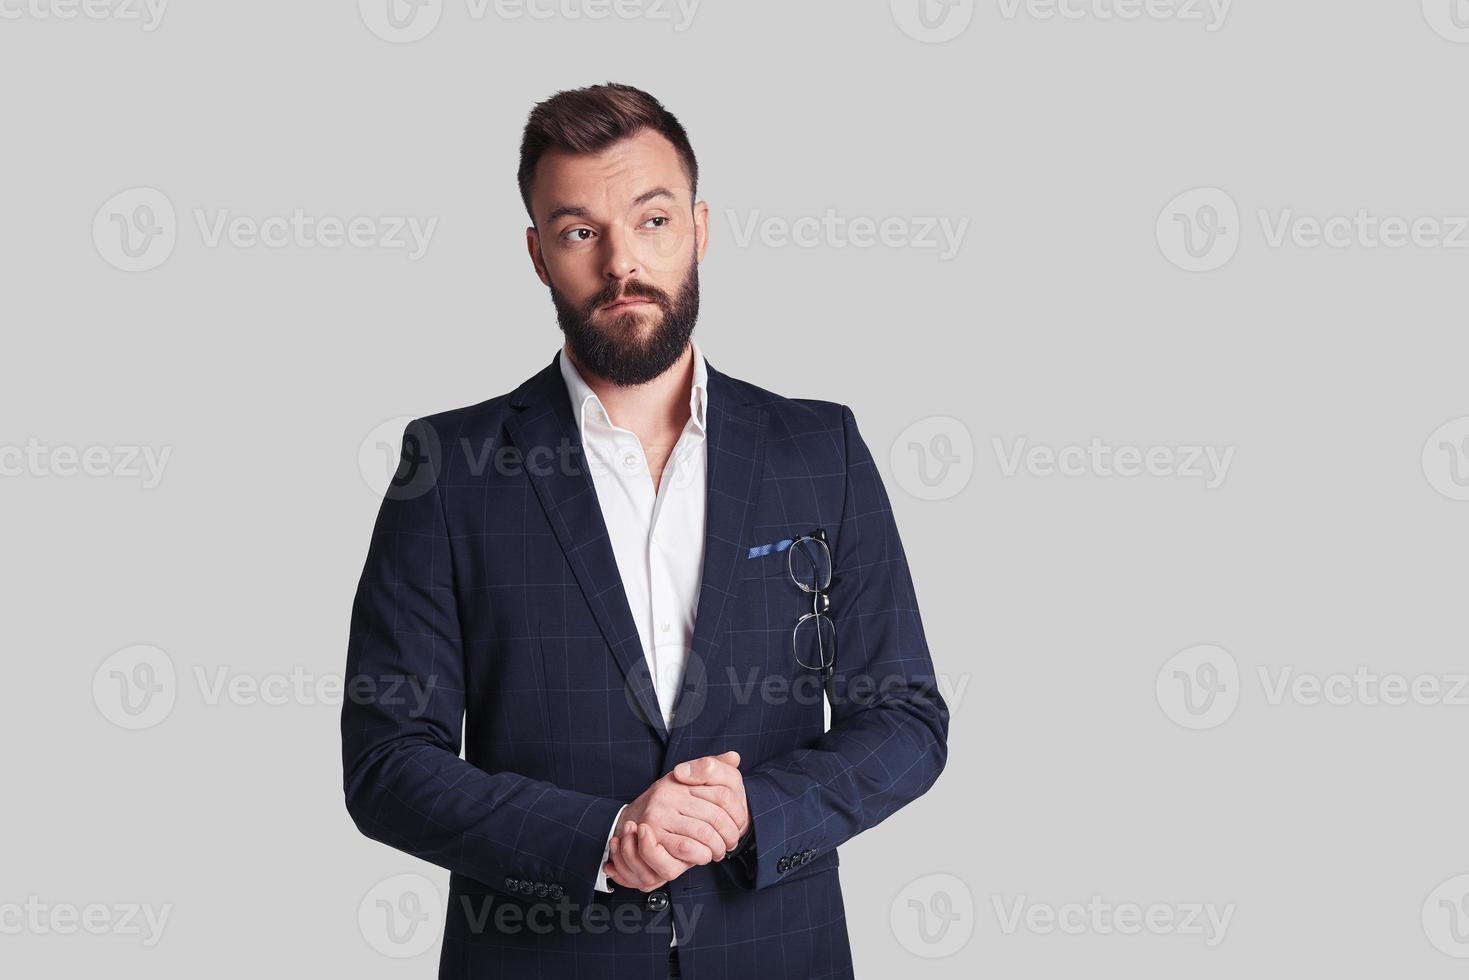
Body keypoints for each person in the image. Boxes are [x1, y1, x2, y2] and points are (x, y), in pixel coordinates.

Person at [341, 82, 948, 979]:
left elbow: (905, 720)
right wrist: (606, 835)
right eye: (580, 231)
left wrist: (750, 810)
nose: (622, 261)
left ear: (700, 227)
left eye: (652, 220)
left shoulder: (821, 450)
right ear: (539, 255)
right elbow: (387, 762)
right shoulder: (448, 466)